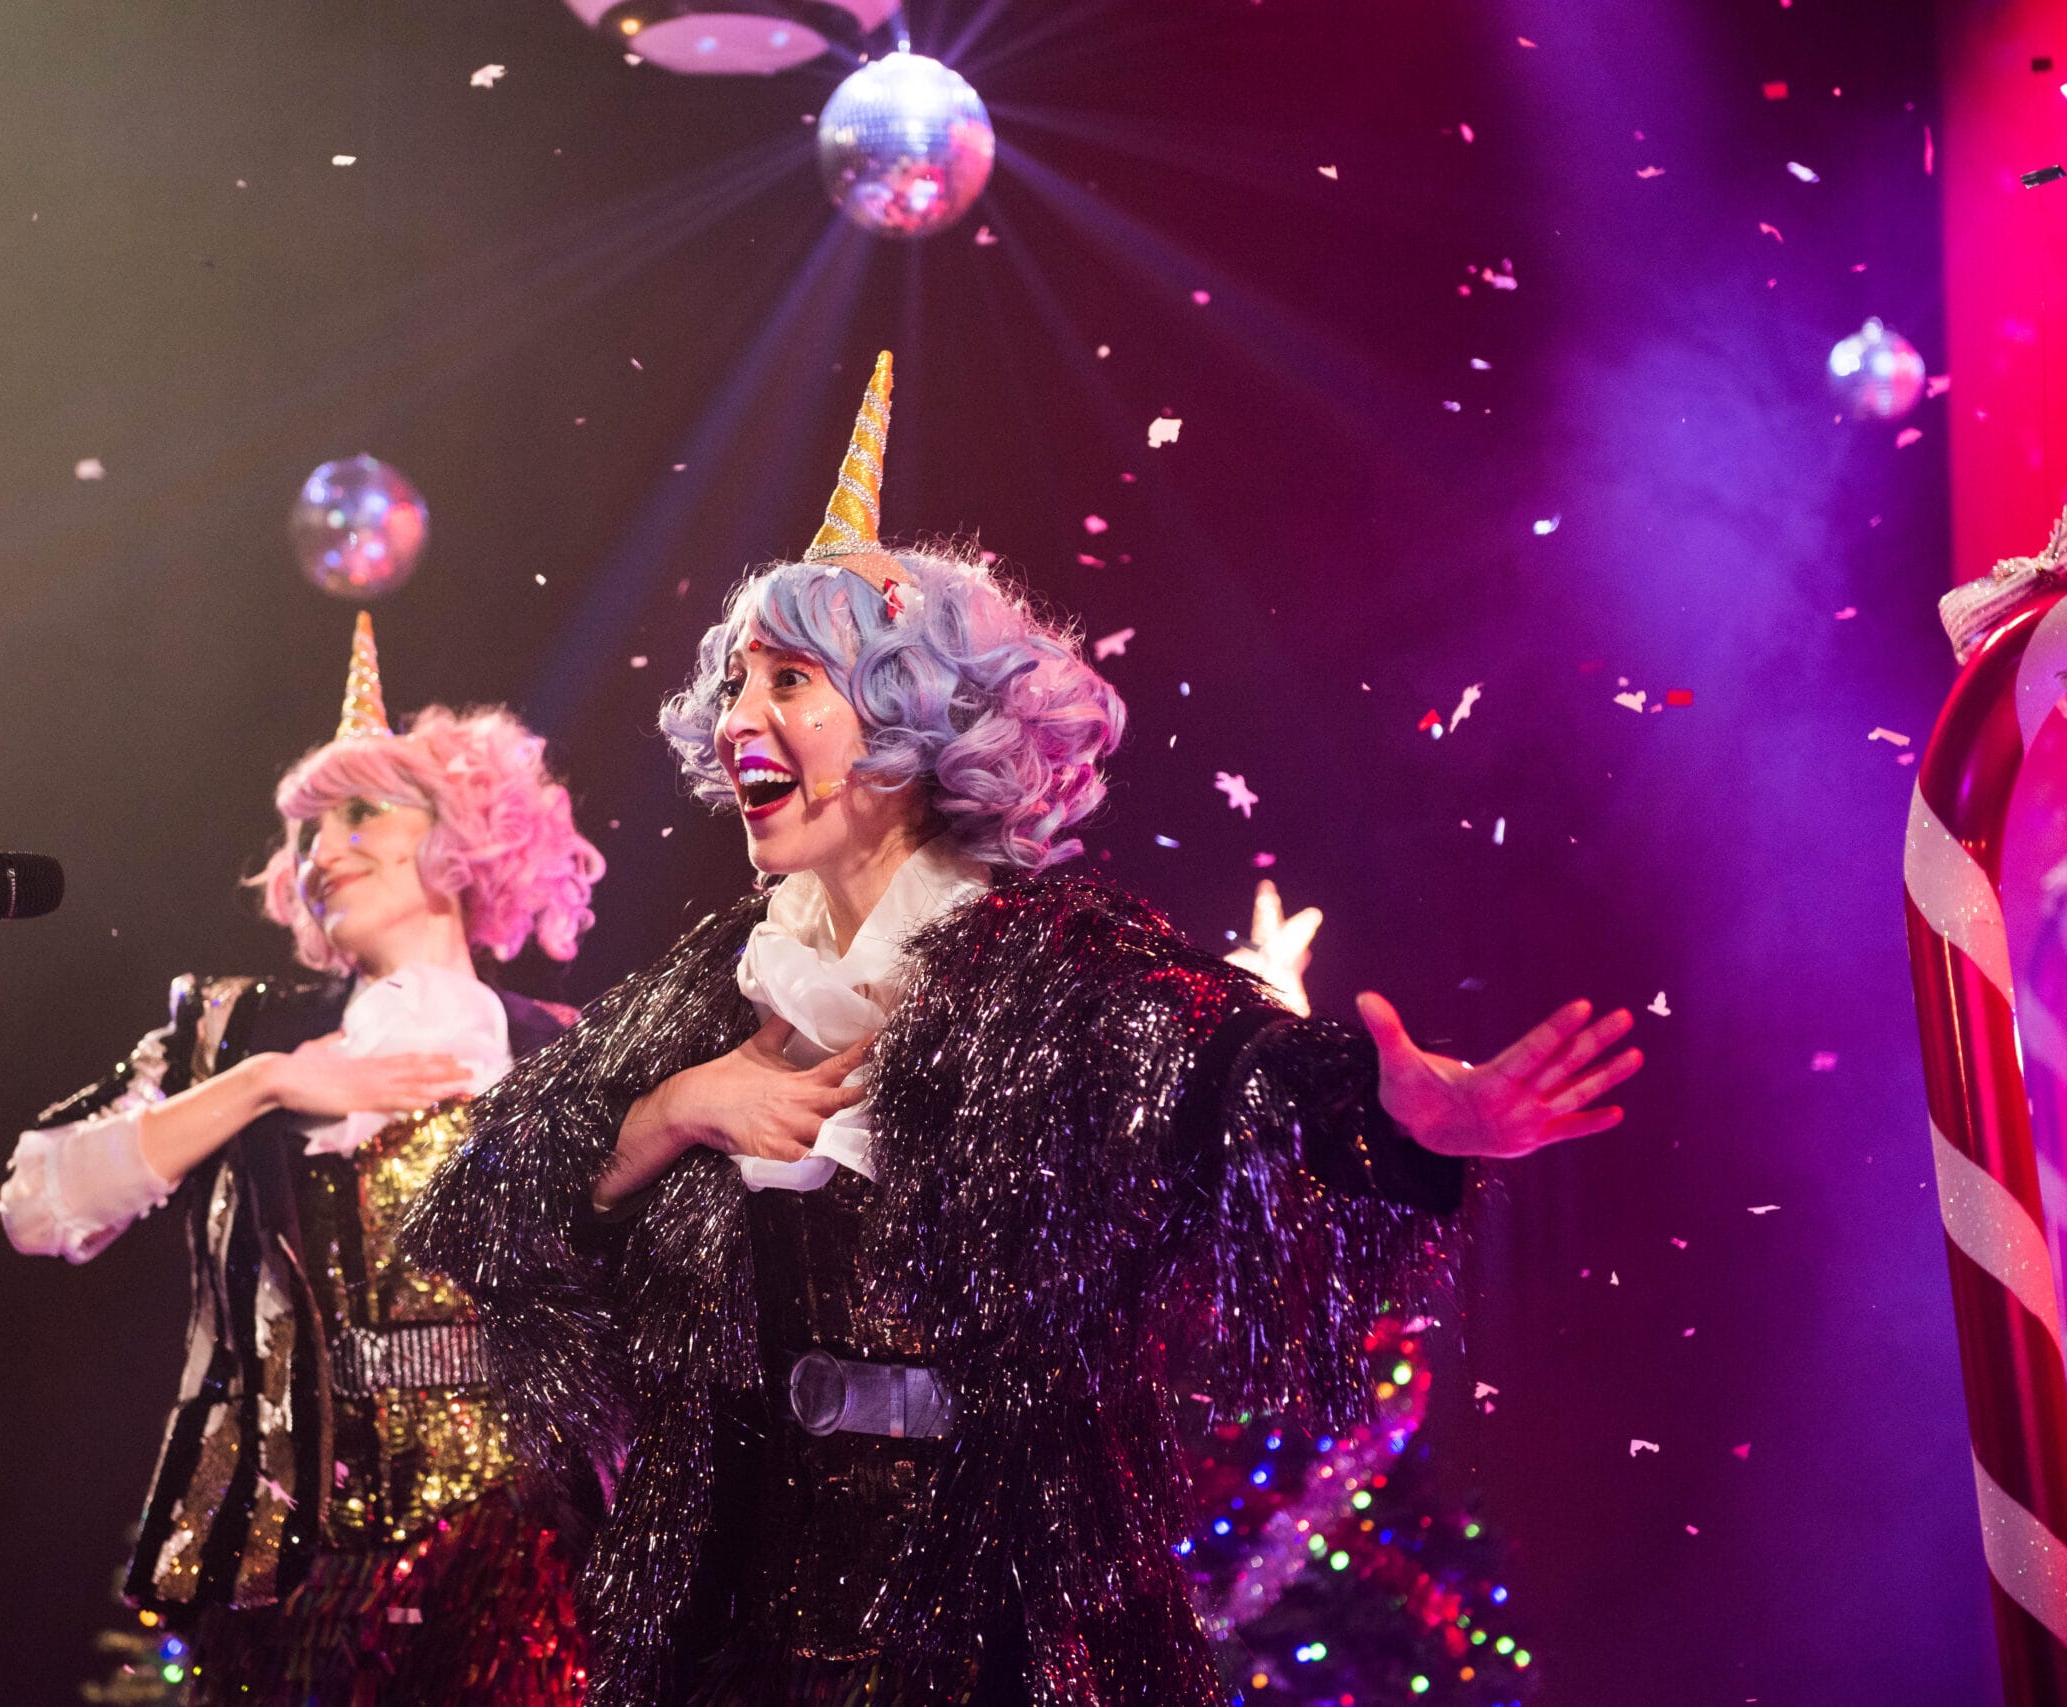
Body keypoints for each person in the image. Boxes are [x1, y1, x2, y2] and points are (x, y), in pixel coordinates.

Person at [405, 354, 1640, 1707]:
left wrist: (1406, 1116)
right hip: (732, 1625)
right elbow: (495, 1203)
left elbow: (1229, 1069)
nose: (741, 717)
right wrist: (681, 1104)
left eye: (792, 679)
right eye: (737, 684)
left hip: (994, 1615)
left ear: (912, 721)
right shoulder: (709, 988)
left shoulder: (1058, 963)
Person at [1, 613, 606, 1706]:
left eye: (362, 813)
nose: (322, 851)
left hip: (523, 1549)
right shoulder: (233, 1032)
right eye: (307, 833)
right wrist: (265, 1086)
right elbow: (36, 1206)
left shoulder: (562, 1051)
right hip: (290, 1555)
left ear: (466, 835)